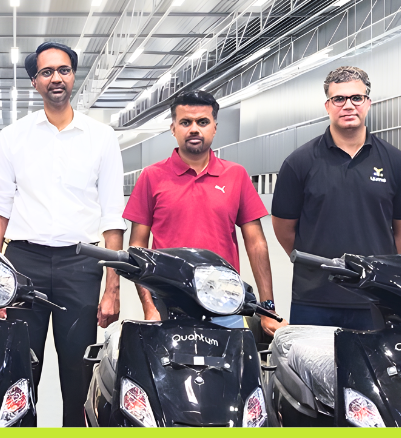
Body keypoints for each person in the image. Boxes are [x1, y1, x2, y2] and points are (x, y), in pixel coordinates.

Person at [0, 41, 125, 427]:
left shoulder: (101, 137)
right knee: (18, 368)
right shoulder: (14, 136)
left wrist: (112, 287)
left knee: (79, 372)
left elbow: (112, 215)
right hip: (23, 264)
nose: (56, 78)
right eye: (46, 72)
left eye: (63, 70)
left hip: (81, 266)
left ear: (73, 76)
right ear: (35, 82)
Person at [122, 90, 287, 335]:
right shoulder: (151, 177)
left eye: (202, 122)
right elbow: (138, 247)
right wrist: (149, 307)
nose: (194, 129)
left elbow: (256, 243)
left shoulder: (236, 175)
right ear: (173, 128)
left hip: (225, 299)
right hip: (168, 299)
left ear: (214, 128)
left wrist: (268, 308)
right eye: (185, 122)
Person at [271, 66, 401, 330]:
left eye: (356, 98)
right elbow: (284, 230)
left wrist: (372, 269)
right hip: (314, 300)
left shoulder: (398, 163)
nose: (348, 105)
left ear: (368, 103)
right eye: (339, 98)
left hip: (376, 299)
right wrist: (316, 267)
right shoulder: (298, 163)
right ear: (327, 106)